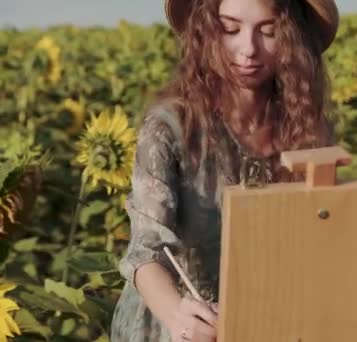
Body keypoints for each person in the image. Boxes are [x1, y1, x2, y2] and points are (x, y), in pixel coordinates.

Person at [110, 0, 339, 340]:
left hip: (264, 321)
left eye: (270, 31)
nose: (248, 49)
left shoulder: (307, 128)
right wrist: (177, 315)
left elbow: (319, 230)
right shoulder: (170, 128)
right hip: (175, 326)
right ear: (205, 32)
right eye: (230, 28)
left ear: (293, 39)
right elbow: (146, 249)